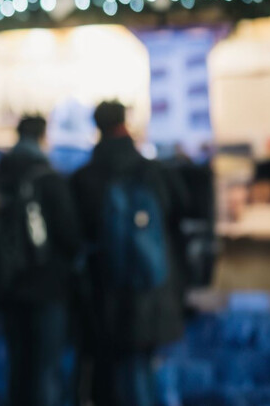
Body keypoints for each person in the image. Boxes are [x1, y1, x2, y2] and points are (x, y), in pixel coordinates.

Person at [69, 102, 187, 406]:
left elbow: (75, 235)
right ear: (125, 125)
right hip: (154, 286)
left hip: (106, 291)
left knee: (115, 373)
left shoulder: (85, 176)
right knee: (144, 369)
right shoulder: (151, 169)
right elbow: (179, 214)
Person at [0, 114, 82, 406]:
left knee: (17, 365)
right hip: (47, 286)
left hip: (9, 286)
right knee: (45, 367)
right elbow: (69, 236)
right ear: (43, 136)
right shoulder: (49, 178)